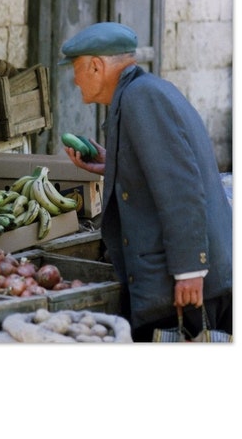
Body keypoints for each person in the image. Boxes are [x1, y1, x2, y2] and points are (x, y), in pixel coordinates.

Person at [59, 21, 232, 341]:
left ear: (96, 66)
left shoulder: (142, 99)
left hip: (187, 288)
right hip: (177, 281)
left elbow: (181, 188)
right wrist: (112, 163)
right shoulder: (144, 91)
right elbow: (161, 168)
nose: (74, 79)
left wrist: (191, 271)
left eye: (76, 68)